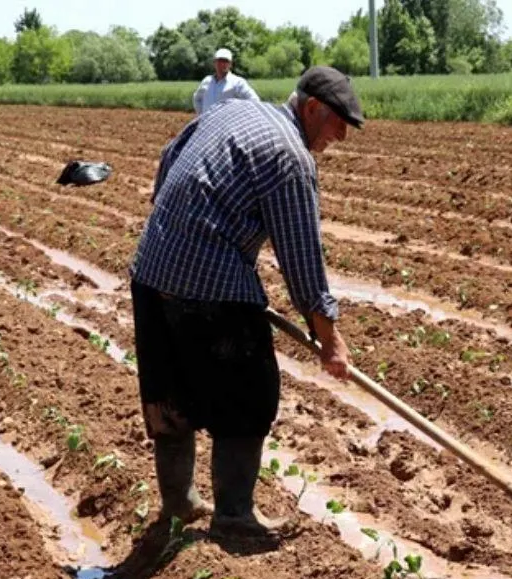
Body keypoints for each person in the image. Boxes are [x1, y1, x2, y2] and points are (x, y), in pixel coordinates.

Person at [129, 66, 364, 537]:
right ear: (312, 108)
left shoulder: (231, 111)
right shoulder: (291, 157)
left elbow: (167, 157)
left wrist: (178, 226)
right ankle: (234, 516)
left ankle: (179, 503)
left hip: (150, 268)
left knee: (169, 393)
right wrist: (330, 337)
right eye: (338, 121)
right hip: (208, 282)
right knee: (249, 394)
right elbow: (302, 256)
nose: (340, 134)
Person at [192, 48, 260, 116]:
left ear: (230, 64)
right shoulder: (206, 81)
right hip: (208, 125)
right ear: (214, 63)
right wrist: (202, 116)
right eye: (219, 61)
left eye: (225, 61)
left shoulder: (237, 83)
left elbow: (254, 101)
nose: (222, 64)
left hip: (228, 125)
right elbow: (197, 99)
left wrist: (241, 117)